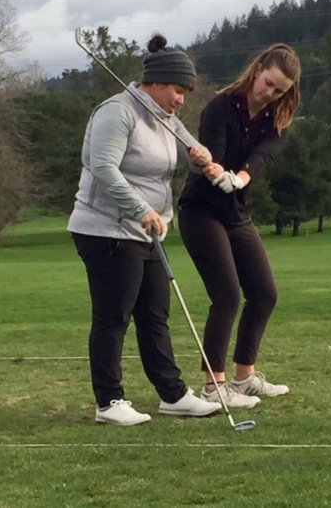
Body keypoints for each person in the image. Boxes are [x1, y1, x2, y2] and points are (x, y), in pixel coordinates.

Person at [68, 34, 221, 426]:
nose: (181, 99)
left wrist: (200, 161)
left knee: (155, 314)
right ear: (155, 83)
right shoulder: (118, 113)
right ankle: (109, 402)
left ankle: (172, 395)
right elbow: (104, 169)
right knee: (113, 315)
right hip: (105, 229)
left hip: (147, 230)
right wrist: (141, 209)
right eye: (177, 90)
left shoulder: (165, 120)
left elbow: (176, 159)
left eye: (185, 92)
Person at [177, 44, 302, 408]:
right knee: (227, 295)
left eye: (279, 90)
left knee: (264, 294)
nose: (270, 93)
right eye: (268, 83)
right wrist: (213, 167)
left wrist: (240, 178)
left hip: (236, 212)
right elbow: (212, 154)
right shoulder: (221, 106)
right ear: (257, 69)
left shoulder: (278, 118)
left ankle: (244, 378)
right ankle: (213, 386)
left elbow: (262, 156)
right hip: (201, 210)